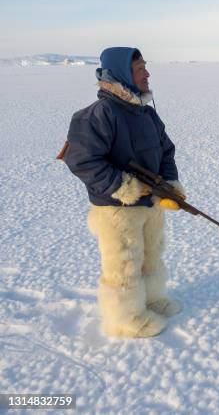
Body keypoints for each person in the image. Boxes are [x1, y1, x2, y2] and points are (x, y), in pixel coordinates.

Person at [63, 47, 185, 338]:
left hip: (151, 202)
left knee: (151, 255)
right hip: (117, 208)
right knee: (124, 264)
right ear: (120, 73)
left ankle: (152, 300)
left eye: (145, 67)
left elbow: (166, 151)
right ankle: (124, 319)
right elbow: (82, 160)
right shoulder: (98, 115)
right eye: (140, 69)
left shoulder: (146, 114)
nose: (147, 74)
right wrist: (124, 185)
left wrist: (170, 185)